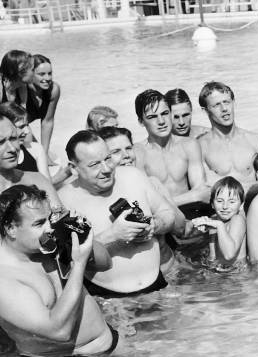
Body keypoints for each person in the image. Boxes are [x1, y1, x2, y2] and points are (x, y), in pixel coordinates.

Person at [0, 185, 117, 357]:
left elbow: (106, 263)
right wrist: (78, 264)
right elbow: (59, 332)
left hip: (108, 342)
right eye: (39, 223)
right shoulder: (5, 280)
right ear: (11, 229)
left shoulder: (45, 244)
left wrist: (81, 237)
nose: (49, 228)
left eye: (50, 219)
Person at [58, 130, 176, 296]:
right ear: (74, 168)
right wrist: (112, 235)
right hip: (107, 297)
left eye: (107, 158)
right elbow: (67, 258)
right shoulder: (64, 200)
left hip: (157, 284)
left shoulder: (133, 176)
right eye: (94, 165)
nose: (106, 169)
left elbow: (167, 214)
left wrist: (154, 225)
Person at [98, 125, 192, 273]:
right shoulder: (99, 196)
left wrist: (157, 220)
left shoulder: (151, 182)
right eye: (116, 151)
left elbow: (181, 228)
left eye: (129, 148)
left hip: (171, 270)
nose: (126, 155)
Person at [132, 89, 211, 219]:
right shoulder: (138, 152)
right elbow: (144, 204)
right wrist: (192, 196)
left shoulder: (189, 145)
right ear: (141, 121)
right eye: (152, 117)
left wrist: (163, 204)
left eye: (165, 113)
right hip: (163, 222)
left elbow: (202, 194)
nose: (161, 121)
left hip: (193, 216)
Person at [198, 81, 258, 191]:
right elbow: (204, 190)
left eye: (227, 102)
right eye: (216, 105)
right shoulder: (200, 147)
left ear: (234, 102)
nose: (224, 109)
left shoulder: (256, 140)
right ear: (206, 111)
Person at [0, 113, 62, 208]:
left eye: (13, 138)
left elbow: (61, 218)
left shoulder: (38, 180)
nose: (12, 149)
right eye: (1, 142)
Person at [192, 176, 247, 268]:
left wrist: (219, 225)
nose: (225, 206)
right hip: (218, 272)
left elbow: (229, 255)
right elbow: (212, 256)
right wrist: (199, 225)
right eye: (220, 201)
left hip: (236, 275)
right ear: (212, 204)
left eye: (232, 202)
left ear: (241, 205)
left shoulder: (237, 220)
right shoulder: (214, 219)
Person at [28, 54, 61, 156]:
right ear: (30, 74)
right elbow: (20, 125)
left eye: (50, 73)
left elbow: (47, 122)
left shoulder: (53, 90)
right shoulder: (21, 91)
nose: (47, 78)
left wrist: (44, 154)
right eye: (41, 74)